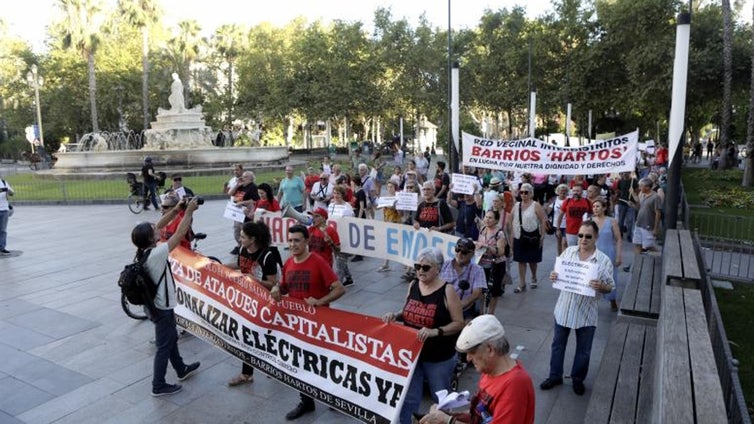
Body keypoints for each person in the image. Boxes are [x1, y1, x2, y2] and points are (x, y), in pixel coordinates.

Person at [270, 225, 345, 420]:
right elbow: (285, 287)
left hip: (318, 324)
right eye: (290, 240)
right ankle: (307, 401)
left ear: (306, 241)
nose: (293, 244)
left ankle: (335, 397)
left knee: (323, 362)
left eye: (297, 240)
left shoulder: (317, 262)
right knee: (300, 363)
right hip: (297, 324)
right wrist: (277, 288)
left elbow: (339, 289)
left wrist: (319, 302)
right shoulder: (288, 263)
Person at [382, 247, 465, 424]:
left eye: (426, 267)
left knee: (440, 399)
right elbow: (407, 310)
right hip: (412, 353)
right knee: (408, 397)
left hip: (438, 357)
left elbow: (459, 323)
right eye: (418, 266)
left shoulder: (447, 290)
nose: (420, 270)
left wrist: (436, 331)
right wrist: (395, 315)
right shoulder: (413, 284)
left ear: (438, 268)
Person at [130, 197, 202, 396]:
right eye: (155, 232)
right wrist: (189, 212)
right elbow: (179, 235)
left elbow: (157, 225)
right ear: (152, 239)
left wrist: (176, 210)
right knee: (164, 345)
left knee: (170, 338)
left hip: (153, 305)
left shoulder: (141, 251)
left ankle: (180, 369)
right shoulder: (157, 254)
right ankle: (158, 385)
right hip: (161, 307)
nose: (158, 230)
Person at [541, 220, 614, 396]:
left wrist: (601, 286)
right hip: (564, 309)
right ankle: (555, 375)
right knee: (557, 345)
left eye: (588, 236)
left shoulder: (603, 261)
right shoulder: (568, 252)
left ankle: (578, 379)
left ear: (595, 237)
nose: (583, 239)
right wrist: (554, 276)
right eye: (580, 235)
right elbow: (558, 275)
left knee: (584, 350)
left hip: (586, 312)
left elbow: (610, 286)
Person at [419, 315, 535, 424]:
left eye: (472, 352)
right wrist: (448, 415)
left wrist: (449, 420)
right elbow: (479, 416)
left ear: (490, 349)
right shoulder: (489, 371)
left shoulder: (515, 385)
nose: (468, 358)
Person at [227, 221, 281, 387]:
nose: (240, 239)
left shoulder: (268, 256)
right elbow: (239, 265)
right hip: (247, 301)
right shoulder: (243, 250)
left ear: (253, 239)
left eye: (243, 237)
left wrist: (254, 280)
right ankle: (246, 373)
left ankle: (277, 367)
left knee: (270, 336)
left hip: (265, 304)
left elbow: (274, 283)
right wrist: (218, 266)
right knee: (246, 335)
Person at [510, 183, 548, 293]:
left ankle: (534, 277)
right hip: (519, 236)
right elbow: (511, 219)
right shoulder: (516, 205)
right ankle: (522, 284)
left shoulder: (536, 205)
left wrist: (542, 236)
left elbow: (543, 220)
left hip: (533, 236)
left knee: (532, 261)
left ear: (531, 193)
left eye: (526, 192)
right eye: (521, 192)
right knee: (521, 261)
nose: (523, 194)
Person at [441, 238, 487, 321]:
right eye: (457, 250)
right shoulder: (444, 264)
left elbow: (477, 293)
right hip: (442, 305)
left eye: (464, 252)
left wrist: (461, 304)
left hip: (465, 308)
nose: (459, 254)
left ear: (472, 254)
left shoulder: (477, 270)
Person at [591, 199, 622, 311]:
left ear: (604, 208)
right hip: (593, 253)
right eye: (593, 206)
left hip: (608, 252)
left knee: (610, 277)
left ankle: (612, 300)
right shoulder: (590, 221)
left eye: (598, 206)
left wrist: (619, 255)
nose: (595, 208)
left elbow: (618, 239)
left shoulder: (611, 221)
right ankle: (592, 302)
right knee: (592, 277)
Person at [476, 210, 509, 314]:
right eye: (486, 217)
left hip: (496, 266)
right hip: (482, 264)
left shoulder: (500, 233)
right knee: (480, 290)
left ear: (496, 221)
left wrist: (487, 247)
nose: (487, 219)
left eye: (490, 218)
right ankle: (481, 313)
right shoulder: (482, 229)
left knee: (494, 291)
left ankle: (490, 313)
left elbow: (500, 251)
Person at [327, 185, 355, 285]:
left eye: (338, 193)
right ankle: (349, 278)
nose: (336, 195)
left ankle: (338, 284)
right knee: (339, 258)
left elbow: (351, 223)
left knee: (339, 261)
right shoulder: (331, 205)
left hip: (343, 237)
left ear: (342, 194)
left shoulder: (347, 207)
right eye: (334, 193)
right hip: (333, 237)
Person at [229, 171, 260, 254]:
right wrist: (237, 185)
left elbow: (255, 200)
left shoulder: (253, 187)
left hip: (247, 213)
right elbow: (230, 193)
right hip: (237, 213)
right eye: (243, 176)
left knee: (245, 232)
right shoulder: (240, 186)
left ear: (251, 179)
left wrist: (243, 203)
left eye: (245, 176)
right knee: (236, 232)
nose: (243, 178)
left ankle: (247, 249)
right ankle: (241, 247)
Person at [632, 177, 662, 256]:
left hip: (648, 225)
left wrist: (656, 228)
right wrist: (633, 205)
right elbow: (640, 208)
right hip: (639, 224)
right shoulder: (642, 195)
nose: (639, 188)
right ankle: (636, 262)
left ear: (647, 187)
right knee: (637, 244)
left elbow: (658, 213)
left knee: (648, 245)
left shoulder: (655, 197)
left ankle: (662, 254)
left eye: (641, 186)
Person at [377, 180, 401, 272]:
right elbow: (377, 208)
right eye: (388, 187)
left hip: (396, 223)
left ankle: (407, 264)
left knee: (399, 244)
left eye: (391, 187)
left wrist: (395, 206)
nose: (390, 188)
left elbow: (401, 213)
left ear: (395, 188)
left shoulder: (398, 198)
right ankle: (385, 264)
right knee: (388, 244)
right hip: (387, 222)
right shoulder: (385, 197)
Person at [0, 177, 14, 255]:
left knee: (3, 230)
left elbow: (12, 193)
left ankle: (2, 248)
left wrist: (8, 191)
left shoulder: (4, 182)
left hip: (4, 209)